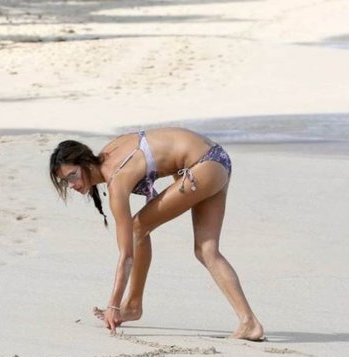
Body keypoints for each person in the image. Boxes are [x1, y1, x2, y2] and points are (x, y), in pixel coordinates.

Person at [49, 127, 264, 340]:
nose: (71, 185)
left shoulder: (116, 179)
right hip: (217, 159)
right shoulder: (108, 153)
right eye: (65, 181)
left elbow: (127, 255)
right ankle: (249, 323)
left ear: (86, 162)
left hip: (202, 165)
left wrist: (113, 305)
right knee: (206, 250)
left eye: (73, 175)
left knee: (137, 228)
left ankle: (133, 305)